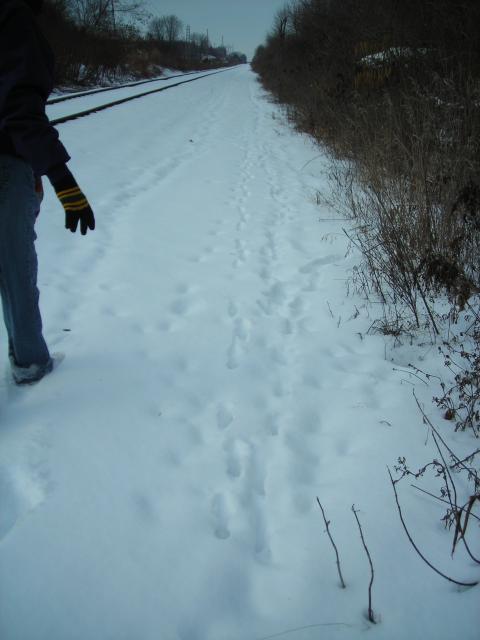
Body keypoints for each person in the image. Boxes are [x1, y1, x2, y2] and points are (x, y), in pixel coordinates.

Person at [0, 0, 95, 385]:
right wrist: (61, 178)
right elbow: (19, 109)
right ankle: (30, 363)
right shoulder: (12, 18)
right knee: (14, 267)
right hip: (5, 164)